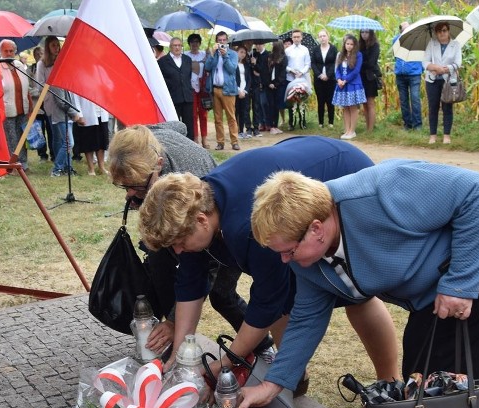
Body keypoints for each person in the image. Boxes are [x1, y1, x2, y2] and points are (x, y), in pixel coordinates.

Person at [249, 160, 479, 408]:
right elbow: (306, 319)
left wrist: (460, 282)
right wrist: (273, 384)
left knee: (439, 371)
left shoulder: (384, 191)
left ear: (316, 229)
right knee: (435, 365)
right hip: (444, 279)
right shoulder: (310, 263)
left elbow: (475, 191)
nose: (284, 260)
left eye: (289, 250)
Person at [137, 137, 399, 392]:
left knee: (355, 294)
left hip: (340, 174)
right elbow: (190, 284)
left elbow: (266, 301)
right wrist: (178, 358)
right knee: (288, 300)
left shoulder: (248, 226)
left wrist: (226, 362)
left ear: (202, 221)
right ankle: (292, 377)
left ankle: (390, 384)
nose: (178, 251)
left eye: (179, 243)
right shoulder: (196, 209)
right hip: (298, 165)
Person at [107, 123, 273, 362]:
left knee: (221, 294)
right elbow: (180, 125)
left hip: (219, 226)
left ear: (159, 165)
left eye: (135, 187)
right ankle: (173, 335)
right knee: (160, 265)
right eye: (124, 187)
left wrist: (176, 320)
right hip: (191, 223)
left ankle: (262, 347)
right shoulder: (145, 142)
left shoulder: (190, 181)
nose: (128, 194)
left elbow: (204, 268)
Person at [34, 36, 84, 177]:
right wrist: (53, 87)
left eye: (58, 45)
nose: (56, 48)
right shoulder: (42, 64)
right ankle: (57, 168)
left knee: (59, 139)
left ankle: (67, 167)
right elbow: (39, 85)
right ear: (48, 48)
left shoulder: (62, 61)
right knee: (67, 141)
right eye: (53, 46)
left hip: (66, 101)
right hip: (53, 103)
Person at [424, 22, 462, 145]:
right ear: (436, 33)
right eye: (439, 31)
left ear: (448, 31)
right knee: (433, 107)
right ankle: (433, 135)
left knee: (447, 107)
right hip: (432, 80)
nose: (442, 33)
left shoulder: (455, 45)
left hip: (448, 80)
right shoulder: (431, 43)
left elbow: (458, 63)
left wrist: (445, 69)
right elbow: (425, 62)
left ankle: (446, 135)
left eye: (444, 30)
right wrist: (434, 67)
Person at [0, 39, 31, 177]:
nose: (9, 53)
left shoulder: (19, 65)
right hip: (7, 109)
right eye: (6, 51)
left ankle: (24, 164)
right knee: (12, 139)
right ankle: (12, 165)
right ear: (1, 52)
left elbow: (26, 86)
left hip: (22, 107)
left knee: (22, 137)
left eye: (11, 51)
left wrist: (30, 105)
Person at [205, 30, 240, 151]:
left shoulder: (233, 54)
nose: (222, 43)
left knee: (231, 117)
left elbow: (232, 69)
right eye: (219, 41)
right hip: (215, 89)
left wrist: (225, 56)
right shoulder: (214, 54)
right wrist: (211, 54)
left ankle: (234, 141)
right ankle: (220, 142)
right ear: (216, 42)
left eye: (224, 40)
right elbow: (207, 68)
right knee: (217, 118)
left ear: (227, 41)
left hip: (228, 89)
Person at [158, 37, 195, 142]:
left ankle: (190, 145)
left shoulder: (187, 60)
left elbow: (188, 77)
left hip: (187, 97)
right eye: (175, 45)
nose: (177, 47)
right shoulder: (163, 62)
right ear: (170, 47)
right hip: (172, 98)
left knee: (189, 124)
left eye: (179, 45)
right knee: (174, 123)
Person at [333, 34, 365, 140]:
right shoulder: (340, 55)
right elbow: (337, 69)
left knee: (353, 108)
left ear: (354, 45)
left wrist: (345, 80)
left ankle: (352, 131)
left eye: (351, 44)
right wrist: (339, 80)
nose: (349, 46)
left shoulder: (358, 55)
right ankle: (347, 130)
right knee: (345, 107)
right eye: (347, 44)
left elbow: (356, 71)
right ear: (344, 44)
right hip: (341, 84)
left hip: (353, 84)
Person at [393, 22, 423, 130]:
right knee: (404, 101)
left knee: (415, 99)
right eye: (403, 29)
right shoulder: (395, 40)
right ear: (400, 30)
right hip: (400, 75)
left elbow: (423, 56)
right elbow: (395, 56)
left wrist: (420, 69)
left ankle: (417, 125)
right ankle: (407, 124)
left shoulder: (418, 41)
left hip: (414, 74)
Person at [186, 33, 209, 148]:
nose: (194, 44)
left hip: (203, 88)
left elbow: (210, 66)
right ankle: (195, 138)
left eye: (196, 42)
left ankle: (205, 139)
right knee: (193, 114)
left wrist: (209, 56)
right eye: (192, 42)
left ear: (199, 43)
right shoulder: (185, 55)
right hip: (191, 88)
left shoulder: (204, 54)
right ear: (189, 44)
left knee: (203, 114)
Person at [311, 29, 338, 129]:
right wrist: (319, 75)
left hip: (330, 79)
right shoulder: (315, 49)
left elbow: (335, 62)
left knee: (330, 100)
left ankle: (331, 122)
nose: (322, 38)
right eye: (320, 36)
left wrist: (328, 75)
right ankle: (320, 122)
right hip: (318, 79)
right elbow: (313, 63)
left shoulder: (333, 49)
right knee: (320, 100)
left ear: (328, 37)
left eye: (324, 36)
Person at [285, 30, 311, 130]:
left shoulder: (305, 50)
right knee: (291, 101)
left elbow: (307, 64)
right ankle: (291, 123)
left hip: (301, 78)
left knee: (302, 100)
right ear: (292, 38)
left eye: (298, 37)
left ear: (301, 38)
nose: (296, 39)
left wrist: (301, 72)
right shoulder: (288, 50)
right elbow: (285, 64)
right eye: (294, 37)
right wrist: (291, 70)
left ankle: (302, 122)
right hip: (290, 78)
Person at [358, 30, 381, 132]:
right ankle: (367, 127)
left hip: (370, 76)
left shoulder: (375, 45)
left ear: (371, 33)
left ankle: (370, 129)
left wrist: (359, 64)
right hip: (361, 77)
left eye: (366, 32)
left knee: (370, 102)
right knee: (364, 103)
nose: (364, 34)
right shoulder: (359, 45)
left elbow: (372, 63)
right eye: (362, 32)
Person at [265, 40, 287, 135]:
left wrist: (276, 84)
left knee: (277, 106)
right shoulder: (270, 56)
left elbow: (282, 73)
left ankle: (275, 125)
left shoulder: (283, 58)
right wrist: (269, 83)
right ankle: (271, 126)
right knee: (271, 105)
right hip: (270, 84)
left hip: (279, 85)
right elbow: (266, 71)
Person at [249, 42, 268, 135]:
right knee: (248, 107)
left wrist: (255, 64)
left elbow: (262, 69)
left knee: (259, 104)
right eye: (256, 44)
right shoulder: (252, 53)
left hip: (260, 82)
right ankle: (249, 127)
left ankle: (259, 125)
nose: (257, 46)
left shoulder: (265, 55)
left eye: (259, 44)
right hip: (249, 83)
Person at [235, 46, 252, 138]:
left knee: (244, 111)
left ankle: (241, 130)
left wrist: (245, 90)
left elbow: (249, 79)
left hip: (244, 91)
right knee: (236, 111)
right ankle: (235, 130)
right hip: (236, 91)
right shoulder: (233, 64)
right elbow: (232, 79)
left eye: (244, 53)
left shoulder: (246, 65)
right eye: (241, 52)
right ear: (237, 52)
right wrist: (238, 90)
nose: (243, 54)